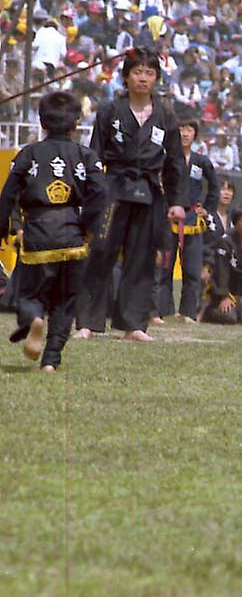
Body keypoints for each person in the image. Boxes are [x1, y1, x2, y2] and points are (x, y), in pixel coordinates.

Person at [75, 46, 187, 342]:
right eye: (137, 72)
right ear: (125, 77)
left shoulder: (166, 114)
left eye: (149, 73)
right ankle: (86, 321)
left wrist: (177, 202)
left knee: (142, 257)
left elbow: (175, 162)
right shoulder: (110, 110)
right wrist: (93, 192)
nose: (143, 78)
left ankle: (133, 324)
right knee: (101, 251)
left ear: (157, 79)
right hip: (114, 186)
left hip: (149, 189)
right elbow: (95, 154)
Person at [0, 91, 107, 371]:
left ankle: (35, 318)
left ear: (42, 123)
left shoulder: (29, 153)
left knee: (30, 294)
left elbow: (8, 193)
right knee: (65, 300)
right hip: (72, 233)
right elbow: (100, 193)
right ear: (75, 124)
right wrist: (87, 227)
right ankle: (50, 360)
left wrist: (6, 227)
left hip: (37, 231)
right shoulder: (87, 156)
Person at [153, 117, 218, 324]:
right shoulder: (167, 159)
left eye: (189, 130)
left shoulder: (202, 161)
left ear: (195, 134)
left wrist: (207, 209)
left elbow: (214, 187)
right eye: (181, 129)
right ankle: (160, 311)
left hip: (193, 217)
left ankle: (188, 312)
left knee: (192, 267)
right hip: (169, 214)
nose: (185, 133)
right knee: (165, 266)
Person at [202, 202, 242, 324]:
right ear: (235, 223)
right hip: (223, 292)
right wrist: (224, 297)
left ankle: (241, 310)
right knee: (230, 318)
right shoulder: (226, 242)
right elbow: (221, 271)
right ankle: (210, 311)